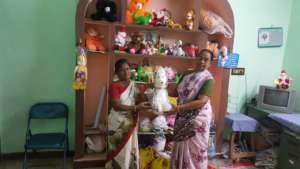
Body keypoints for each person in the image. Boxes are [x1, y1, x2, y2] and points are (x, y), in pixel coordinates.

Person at [167, 49, 214, 169]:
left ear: (210, 63)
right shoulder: (186, 74)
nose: (202, 61)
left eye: (206, 59)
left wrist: (178, 108)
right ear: (196, 58)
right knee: (180, 146)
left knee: (196, 150)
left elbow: (202, 101)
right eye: (200, 58)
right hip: (182, 115)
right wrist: (160, 87)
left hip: (198, 119)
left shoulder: (208, 79)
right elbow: (174, 92)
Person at [105, 59, 151, 169]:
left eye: (127, 69)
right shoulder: (114, 86)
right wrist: (135, 107)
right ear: (116, 72)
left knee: (129, 150)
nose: (126, 72)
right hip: (117, 125)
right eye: (121, 70)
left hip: (130, 123)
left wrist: (149, 91)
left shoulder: (134, 85)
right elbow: (116, 105)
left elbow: (141, 101)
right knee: (118, 152)